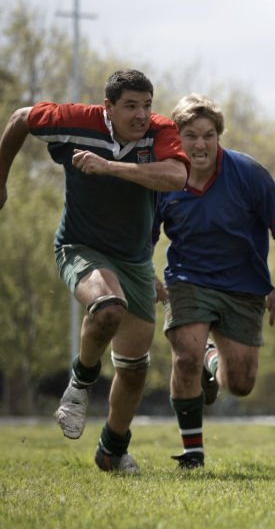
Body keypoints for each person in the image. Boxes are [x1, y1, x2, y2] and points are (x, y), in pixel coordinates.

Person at [0, 69, 189, 474]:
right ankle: (80, 384)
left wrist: (111, 168)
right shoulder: (73, 121)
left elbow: (177, 176)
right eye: (131, 106)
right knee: (107, 308)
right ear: (108, 108)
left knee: (134, 369)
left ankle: (112, 449)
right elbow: (19, 118)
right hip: (79, 248)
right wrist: (1, 180)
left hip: (135, 259)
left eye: (146, 105)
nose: (141, 115)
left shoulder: (160, 132)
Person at [153, 94, 275, 469]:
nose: (200, 144)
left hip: (244, 285)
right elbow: (142, 234)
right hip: (188, 279)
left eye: (207, 135)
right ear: (177, 137)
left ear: (218, 136)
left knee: (240, 383)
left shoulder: (248, 173)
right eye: (190, 136)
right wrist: (144, 273)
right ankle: (193, 453)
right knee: (184, 356)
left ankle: (211, 357)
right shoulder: (164, 177)